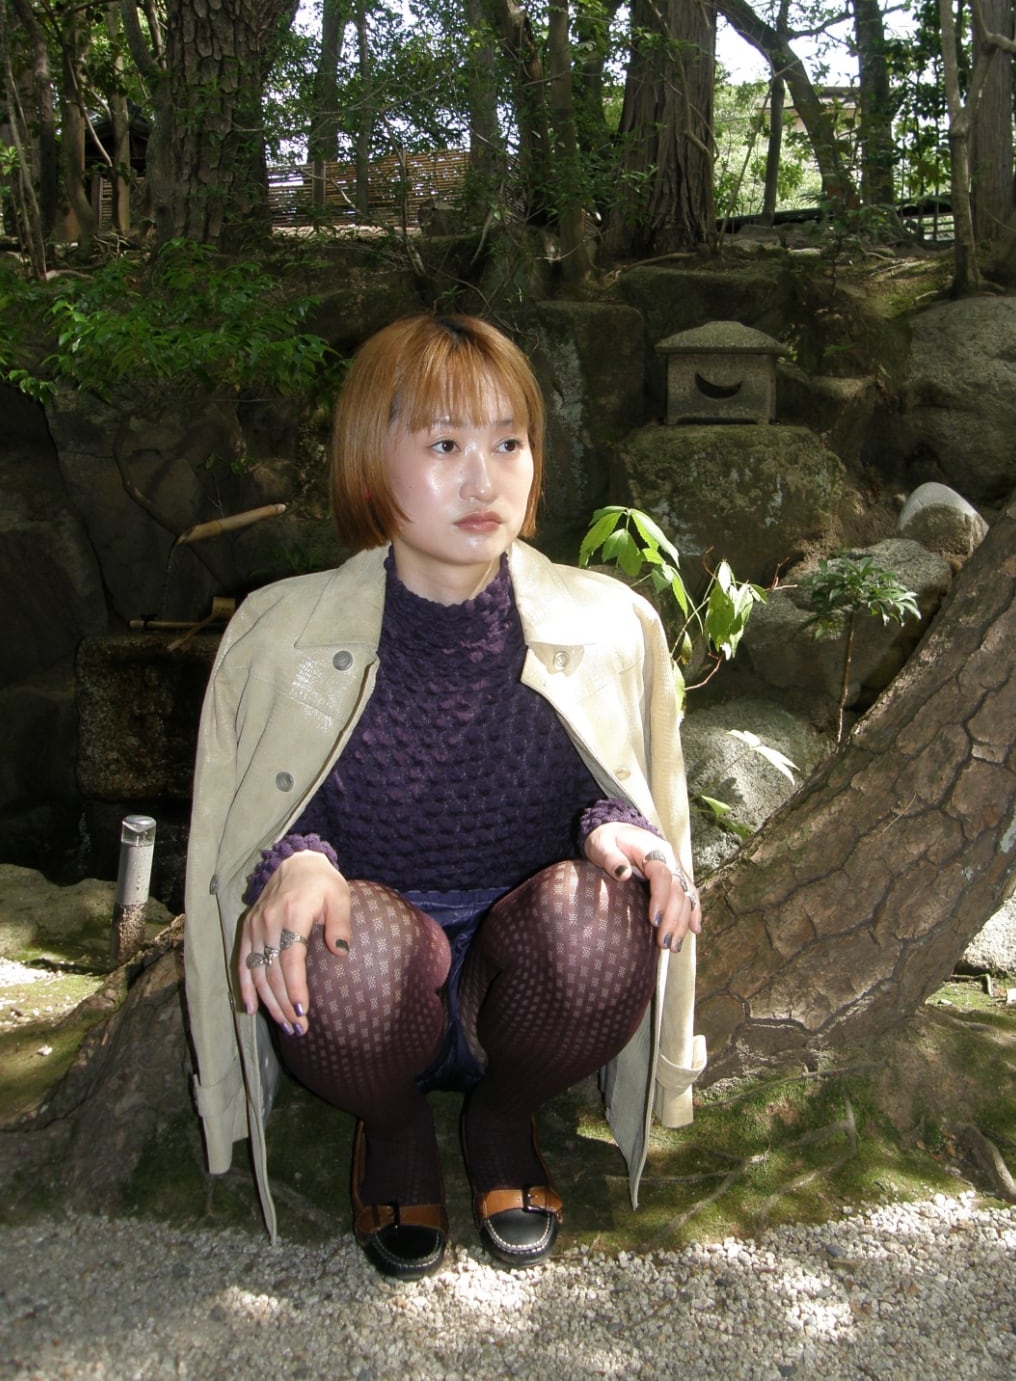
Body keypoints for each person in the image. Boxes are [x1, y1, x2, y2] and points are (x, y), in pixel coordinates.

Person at [184, 313, 705, 1280]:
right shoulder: (278, 631)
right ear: (366, 460)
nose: (484, 479)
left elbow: (603, 790)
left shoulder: (607, 623)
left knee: (601, 921)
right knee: (334, 946)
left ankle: (504, 1120)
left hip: (521, 985)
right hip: (379, 982)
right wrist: (296, 860)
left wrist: (621, 835)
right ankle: (392, 1130)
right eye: (443, 445)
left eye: (508, 443)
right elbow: (271, 813)